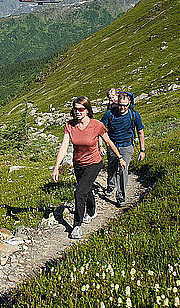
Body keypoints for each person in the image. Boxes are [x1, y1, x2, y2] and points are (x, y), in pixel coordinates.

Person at [51, 96, 126, 239]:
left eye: (81, 109)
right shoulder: (70, 125)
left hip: (94, 163)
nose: (77, 112)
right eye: (75, 109)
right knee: (87, 188)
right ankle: (92, 212)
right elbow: (64, 147)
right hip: (78, 163)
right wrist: (56, 167)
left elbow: (108, 142)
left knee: (79, 191)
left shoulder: (96, 125)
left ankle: (77, 226)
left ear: (87, 110)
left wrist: (120, 157)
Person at [100, 92, 145, 206]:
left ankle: (121, 197)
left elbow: (140, 132)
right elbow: (101, 130)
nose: (122, 108)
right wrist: (100, 146)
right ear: (117, 103)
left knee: (123, 169)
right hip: (112, 145)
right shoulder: (109, 114)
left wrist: (142, 150)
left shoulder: (134, 115)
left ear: (129, 103)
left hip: (126, 146)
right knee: (112, 168)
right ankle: (111, 186)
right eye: (120, 105)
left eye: (125, 105)